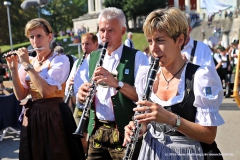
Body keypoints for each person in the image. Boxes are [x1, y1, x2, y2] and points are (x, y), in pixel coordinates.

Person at [123, 7, 224, 160]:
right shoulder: (146, 75)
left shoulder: (200, 77)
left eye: (160, 40)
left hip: (188, 154)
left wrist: (172, 119)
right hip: (152, 152)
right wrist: (138, 128)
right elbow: (146, 121)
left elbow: (209, 135)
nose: (153, 48)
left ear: (180, 40)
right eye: (150, 41)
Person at [4, 18, 85, 160]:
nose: (35, 41)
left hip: (54, 116)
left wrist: (27, 66)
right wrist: (14, 71)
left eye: (39, 36)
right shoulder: (29, 62)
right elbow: (21, 96)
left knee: (57, 153)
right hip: (33, 116)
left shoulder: (59, 60)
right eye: (32, 37)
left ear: (50, 37)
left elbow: (46, 91)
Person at [76, 7, 149, 159]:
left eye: (111, 31)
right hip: (96, 130)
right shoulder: (92, 57)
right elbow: (80, 95)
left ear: (123, 31)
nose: (105, 36)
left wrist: (116, 83)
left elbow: (143, 97)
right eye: (102, 30)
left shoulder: (138, 57)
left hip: (124, 133)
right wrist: (81, 95)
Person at [65, 32, 99, 155]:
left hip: (94, 108)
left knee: (93, 141)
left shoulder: (101, 60)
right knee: (79, 140)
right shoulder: (78, 62)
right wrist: (70, 86)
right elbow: (69, 83)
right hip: (80, 106)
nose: (84, 47)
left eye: (88, 44)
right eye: (83, 44)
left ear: (96, 44)